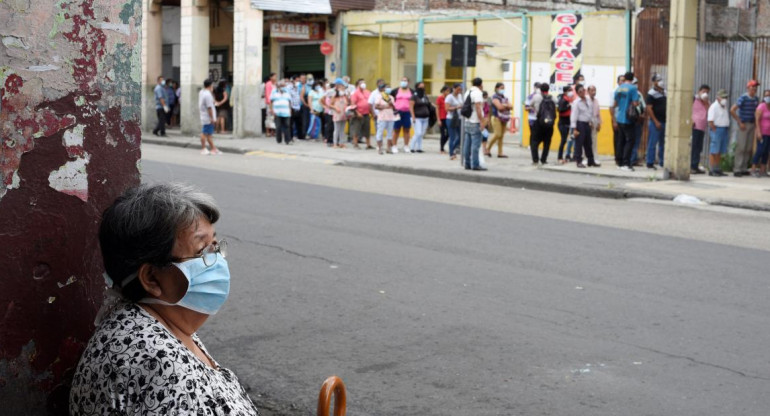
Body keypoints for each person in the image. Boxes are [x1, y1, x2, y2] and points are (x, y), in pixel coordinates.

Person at [69, 183, 259, 415]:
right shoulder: (154, 362)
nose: (217, 260)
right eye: (202, 252)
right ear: (151, 278)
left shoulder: (158, 323)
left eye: (215, 246)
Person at [610, 71, 640, 171]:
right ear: (632, 79)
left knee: (620, 140)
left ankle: (620, 162)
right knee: (630, 140)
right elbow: (635, 103)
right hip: (628, 118)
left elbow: (614, 104)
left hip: (619, 117)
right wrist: (636, 102)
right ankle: (626, 163)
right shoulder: (633, 88)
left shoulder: (619, 88)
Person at [731, 80, 760, 176]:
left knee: (748, 148)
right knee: (741, 147)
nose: (754, 90)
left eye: (755, 89)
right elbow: (732, 110)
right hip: (744, 124)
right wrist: (739, 122)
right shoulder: (743, 98)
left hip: (752, 124)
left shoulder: (756, 98)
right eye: (752, 88)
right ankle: (737, 169)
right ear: (748, 88)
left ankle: (743, 168)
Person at [570, 84, 597, 168]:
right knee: (579, 143)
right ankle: (578, 161)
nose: (582, 93)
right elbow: (574, 116)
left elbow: (590, 112)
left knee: (588, 143)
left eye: (583, 90)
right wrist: (574, 129)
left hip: (587, 123)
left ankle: (591, 161)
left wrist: (591, 122)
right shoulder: (576, 102)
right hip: (579, 123)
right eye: (580, 92)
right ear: (577, 93)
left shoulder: (588, 100)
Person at [462, 77, 487, 171]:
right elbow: (478, 107)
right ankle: (475, 164)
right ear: (481, 84)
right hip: (475, 122)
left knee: (467, 144)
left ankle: (467, 164)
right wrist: (482, 121)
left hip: (467, 121)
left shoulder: (467, 92)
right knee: (475, 145)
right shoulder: (478, 93)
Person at [530, 83, 557, 165]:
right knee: (547, 142)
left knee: (534, 142)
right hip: (549, 123)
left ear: (540, 89)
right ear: (548, 89)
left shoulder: (536, 97)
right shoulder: (552, 98)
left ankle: (535, 160)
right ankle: (544, 159)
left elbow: (531, 105)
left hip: (539, 122)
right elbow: (557, 104)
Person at [645, 73, 667, 170]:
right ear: (654, 82)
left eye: (660, 79)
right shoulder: (651, 93)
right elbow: (649, 109)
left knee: (663, 143)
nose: (660, 81)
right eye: (658, 80)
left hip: (665, 121)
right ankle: (650, 162)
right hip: (656, 122)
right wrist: (655, 121)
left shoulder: (665, 92)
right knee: (652, 143)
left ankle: (662, 161)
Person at [707, 89, 730, 176]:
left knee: (720, 150)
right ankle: (712, 169)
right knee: (714, 150)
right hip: (717, 129)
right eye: (723, 97)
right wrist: (715, 130)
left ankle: (717, 168)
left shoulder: (724, 106)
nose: (725, 99)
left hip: (724, 129)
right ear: (718, 97)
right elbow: (710, 121)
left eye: (726, 97)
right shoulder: (714, 106)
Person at [690, 85, 710, 174]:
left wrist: (706, 102)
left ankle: (695, 165)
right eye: (704, 91)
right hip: (695, 126)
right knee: (694, 147)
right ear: (699, 91)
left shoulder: (706, 102)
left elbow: (710, 110)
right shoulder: (694, 99)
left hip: (702, 126)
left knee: (699, 147)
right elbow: (687, 109)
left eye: (707, 92)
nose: (705, 94)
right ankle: (691, 166)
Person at [489, 82, 512, 158]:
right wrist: (506, 105)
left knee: (501, 136)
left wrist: (505, 105)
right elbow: (500, 108)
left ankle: (500, 152)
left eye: (503, 88)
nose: (503, 90)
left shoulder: (504, 97)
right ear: (496, 88)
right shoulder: (495, 97)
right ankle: (487, 148)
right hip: (496, 118)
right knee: (498, 134)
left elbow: (511, 106)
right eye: (501, 88)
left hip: (504, 118)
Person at [198, 79, 221, 155]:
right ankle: (203, 148)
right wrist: (211, 118)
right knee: (205, 133)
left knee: (209, 134)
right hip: (207, 117)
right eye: (212, 85)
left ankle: (213, 148)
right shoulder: (207, 95)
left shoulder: (202, 92)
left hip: (205, 116)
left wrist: (214, 102)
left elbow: (209, 102)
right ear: (210, 85)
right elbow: (209, 108)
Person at [391, 77, 413, 153]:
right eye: (402, 81)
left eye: (405, 81)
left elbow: (413, 101)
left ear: (408, 82)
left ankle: (406, 145)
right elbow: (390, 99)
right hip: (397, 112)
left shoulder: (411, 91)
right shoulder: (395, 91)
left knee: (407, 129)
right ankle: (394, 146)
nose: (404, 82)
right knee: (396, 129)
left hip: (407, 112)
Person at [751, 89, 770, 177]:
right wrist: (758, 132)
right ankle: (753, 169)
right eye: (766, 96)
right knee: (760, 150)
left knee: (766, 152)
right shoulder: (761, 106)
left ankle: (763, 170)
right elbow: (757, 120)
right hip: (762, 132)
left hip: (769, 133)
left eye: (769, 95)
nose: (768, 97)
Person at [350, 79, 373, 149]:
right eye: (361, 83)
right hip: (358, 114)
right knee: (356, 129)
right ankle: (355, 144)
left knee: (367, 129)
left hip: (366, 114)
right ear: (358, 85)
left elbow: (370, 103)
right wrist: (357, 113)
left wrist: (372, 113)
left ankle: (368, 144)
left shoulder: (368, 92)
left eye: (364, 83)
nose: (363, 84)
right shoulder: (355, 93)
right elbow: (353, 104)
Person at [374, 83, 396, 155]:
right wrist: (384, 107)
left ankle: (388, 148)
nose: (388, 89)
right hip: (382, 117)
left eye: (389, 88)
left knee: (390, 133)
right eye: (387, 88)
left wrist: (390, 104)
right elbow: (376, 106)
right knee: (380, 133)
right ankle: (379, 148)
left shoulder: (391, 97)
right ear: (383, 89)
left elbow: (393, 107)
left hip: (390, 117)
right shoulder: (379, 96)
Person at [409, 81, 431, 153]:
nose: (422, 88)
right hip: (417, 118)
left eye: (423, 87)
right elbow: (411, 107)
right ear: (417, 87)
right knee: (418, 133)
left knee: (421, 134)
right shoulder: (414, 96)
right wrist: (413, 117)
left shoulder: (425, 96)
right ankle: (412, 147)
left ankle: (419, 148)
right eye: (420, 87)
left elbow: (428, 104)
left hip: (425, 118)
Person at [270, 80, 292, 145]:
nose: (283, 87)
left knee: (287, 126)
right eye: (281, 85)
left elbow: (289, 101)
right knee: (278, 126)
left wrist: (290, 109)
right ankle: (279, 140)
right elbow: (271, 102)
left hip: (286, 112)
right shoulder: (274, 91)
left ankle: (287, 140)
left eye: (283, 85)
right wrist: (272, 110)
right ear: (278, 86)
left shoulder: (287, 91)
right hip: (277, 112)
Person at [445, 83, 463, 160]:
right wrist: (456, 107)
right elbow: (447, 108)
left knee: (460, 136)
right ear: (454, 88)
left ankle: (453, 148)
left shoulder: (460, 96)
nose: (459, 91)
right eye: (458, 89)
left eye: (460, 89)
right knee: (452, 136)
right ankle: (451, 153)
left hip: (459, 118)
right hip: (451, 118)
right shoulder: (449, 97)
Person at [610, 74, 625, 163]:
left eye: (624, 80)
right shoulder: (613, 92)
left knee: (623, 139)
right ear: (618, 82)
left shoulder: (626, 91)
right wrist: (614, 121)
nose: (622, 82)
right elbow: (611, 107)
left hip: (624, 118)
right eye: (621, 80)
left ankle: (622, 157)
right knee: (617, 139)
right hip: (616, 118)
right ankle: (617, 157)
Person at [557, 85, 574, 164]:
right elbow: (560, 110)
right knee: (563, 140)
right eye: (569, 90)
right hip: (563, 123)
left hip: (567, 123)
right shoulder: (563, 100)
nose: (571, 92)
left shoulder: (568, 100)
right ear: (565, 91)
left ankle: (565, 156)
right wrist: (568, 106)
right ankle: (559, 157)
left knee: (566, 140)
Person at [331, 78, 349, 148]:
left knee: (342, 129)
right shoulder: (335, 94)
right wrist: (335, 108)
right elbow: (330, 104)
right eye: (342, 86)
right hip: (337, 113)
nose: (343, 87)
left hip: (343, 113)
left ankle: (341, 143)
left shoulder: (345, 95)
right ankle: (335, 143)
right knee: (337, 129)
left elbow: (347, 103)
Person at [586, 84, 602, 165]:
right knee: (586, 141)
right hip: (587, 121)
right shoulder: (586, 100)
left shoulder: (596, 101)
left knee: (594, 141)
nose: (594, 92)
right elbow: (585, 113)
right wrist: (589, 122)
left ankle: (595, 158)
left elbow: (598, 113)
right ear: (588, 91)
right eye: (592, 90)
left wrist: (599, 123)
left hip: (595, 120)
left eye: (594, 90)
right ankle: (585, 158)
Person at [436, 86, 450, 154]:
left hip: (448, 117)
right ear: (443, 91)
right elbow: (437, 109)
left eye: (449, 91)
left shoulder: (449, 98)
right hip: (442, 117)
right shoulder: (440, 98)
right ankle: (441, 149)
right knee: (443, 134)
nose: (448, 92)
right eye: (447, 91)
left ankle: (443, 146)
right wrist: (438, 119)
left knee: (448, 133)